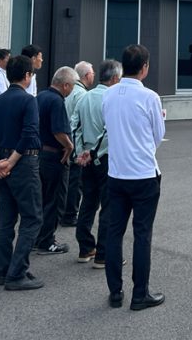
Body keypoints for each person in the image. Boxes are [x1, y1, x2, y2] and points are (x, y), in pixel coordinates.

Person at [103, 44, 165, 311]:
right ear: (144, 67)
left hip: (116, 173)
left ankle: (115, 292)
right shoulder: (150, 97)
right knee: (142, 234)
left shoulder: (108, 94)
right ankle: (140, 294)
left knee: (114, 233)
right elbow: (158, 135)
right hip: (143, 174)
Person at [0, 54, 45, 290]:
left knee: (6, 218)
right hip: (22, 162)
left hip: (0, 161)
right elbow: (30, 134)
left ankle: (4, 270)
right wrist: (10, 161)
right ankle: (17, 273)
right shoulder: (29, 101)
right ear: (27, 75)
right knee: (32, 217)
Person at [72, 58, 119, 268]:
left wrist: (80, 152)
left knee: (88, 202)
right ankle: (103, 254)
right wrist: (93, 152)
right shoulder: (112, 98)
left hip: (86, 157)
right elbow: (109, 130)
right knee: (108, 206)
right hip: (105, 157)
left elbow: (75, 125)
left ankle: (85, 247)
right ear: (115, 78)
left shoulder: (85, 97)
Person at [34, 66, 75, 255]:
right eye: (72, 85)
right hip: (54, 156)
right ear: (65, 85)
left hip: (39, 153)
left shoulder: (41, 96)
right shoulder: (57, 101)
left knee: (42, 199)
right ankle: (47, 241)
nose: (72, 89)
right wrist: (69, 146)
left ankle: (37, 237)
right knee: (55, 200)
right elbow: (58, 131)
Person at [61, 61, 94, 227]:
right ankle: (70, 214)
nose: (94, 75)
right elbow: (78, 123)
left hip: (65, 139)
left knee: (68, 180)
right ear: (87, 75)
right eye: (92, 73)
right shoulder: (82, 94)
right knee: (76, 181)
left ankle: (65, 211)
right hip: (74, 143)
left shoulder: (71, 90)